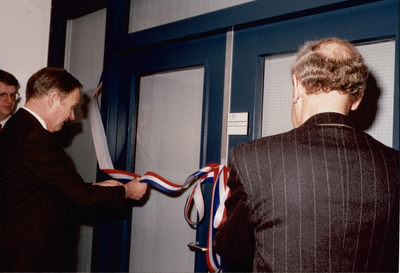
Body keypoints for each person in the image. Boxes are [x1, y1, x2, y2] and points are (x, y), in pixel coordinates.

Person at [213, 38, 399, 272]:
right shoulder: (394, 163)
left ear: (297, 85)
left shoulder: (252, 159)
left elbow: (232, 249)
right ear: (357, 99)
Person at [0, 67, 148, 272]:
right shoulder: (36, 137)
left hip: (16, 251)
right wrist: (128, 191)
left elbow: (44, 186)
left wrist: (94, 186)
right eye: (71, 107)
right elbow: (81, 197)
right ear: (53, 98)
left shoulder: (16, 125)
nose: (71, 116)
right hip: (30, 259)